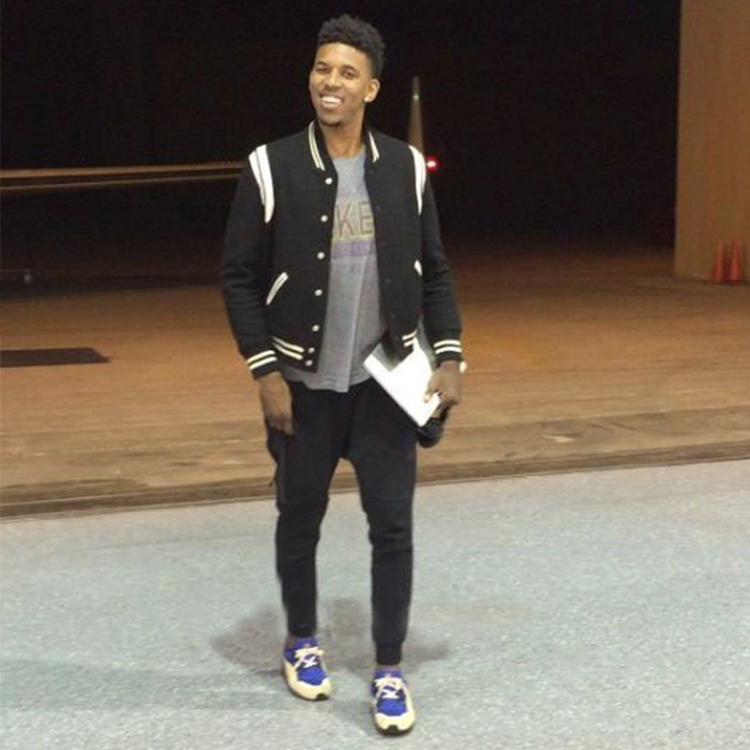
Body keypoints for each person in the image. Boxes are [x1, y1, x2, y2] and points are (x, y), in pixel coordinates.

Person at [221, 14, 464, 735]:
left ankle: (389, 670)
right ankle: (301, 639)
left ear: (371, 89)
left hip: (385, 390)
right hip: (303, 390)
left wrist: (450, 355)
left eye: (347, 73)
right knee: (299, 522)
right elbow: (237, 276)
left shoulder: (404, 169)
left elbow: (435, 271)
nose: (331, 82)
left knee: (393, 529)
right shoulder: (270, 166)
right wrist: (265, 371)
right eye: (322, 68)